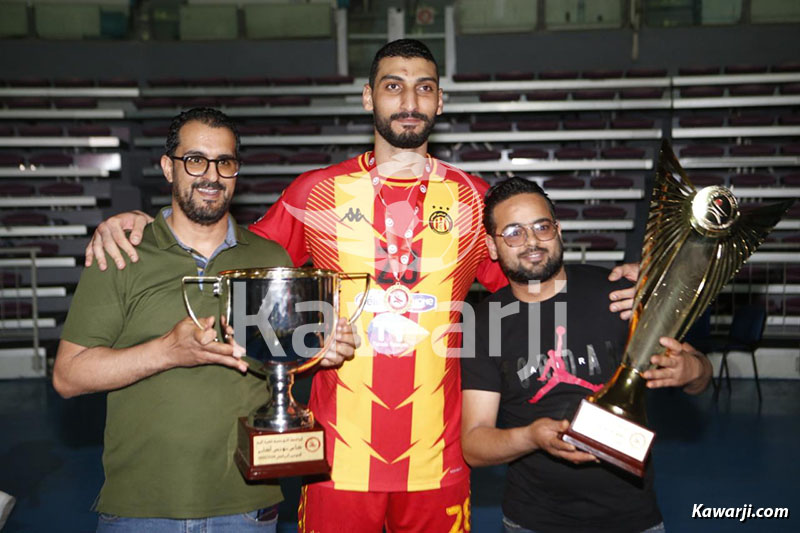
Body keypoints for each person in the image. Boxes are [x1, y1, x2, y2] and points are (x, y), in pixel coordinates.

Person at [81, 42, 637, 532]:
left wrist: (630, 282)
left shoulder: (473, 200)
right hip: (335, 463)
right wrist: (149, 223)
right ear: (369, 97)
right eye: (393, 86)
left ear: (440, 101)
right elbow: (232, 257)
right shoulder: (315, 194)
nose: (410, 101)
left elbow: (536, 282)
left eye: (424, 88)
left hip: (440, 463)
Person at [53, 107, 358, 532]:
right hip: (141, 511)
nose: (211, 175)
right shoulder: (122, 253)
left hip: (247, 509)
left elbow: (277, 358)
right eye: (195, 160)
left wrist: (321, 348)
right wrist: (167, 352)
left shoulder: (269, 258)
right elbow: (68, 376)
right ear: (168, 167)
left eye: (224, 162)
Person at [461, 177, 713, 533]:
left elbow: (700, 377)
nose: (531, 241)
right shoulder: (484, 323)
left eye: (541, 227)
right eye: (514, 232)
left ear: (558, 231)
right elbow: (474, 443)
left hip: (633, 519)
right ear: (491, 245)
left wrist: (692, 370)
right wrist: (531, 437)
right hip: (533, 521)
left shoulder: (618, 293)